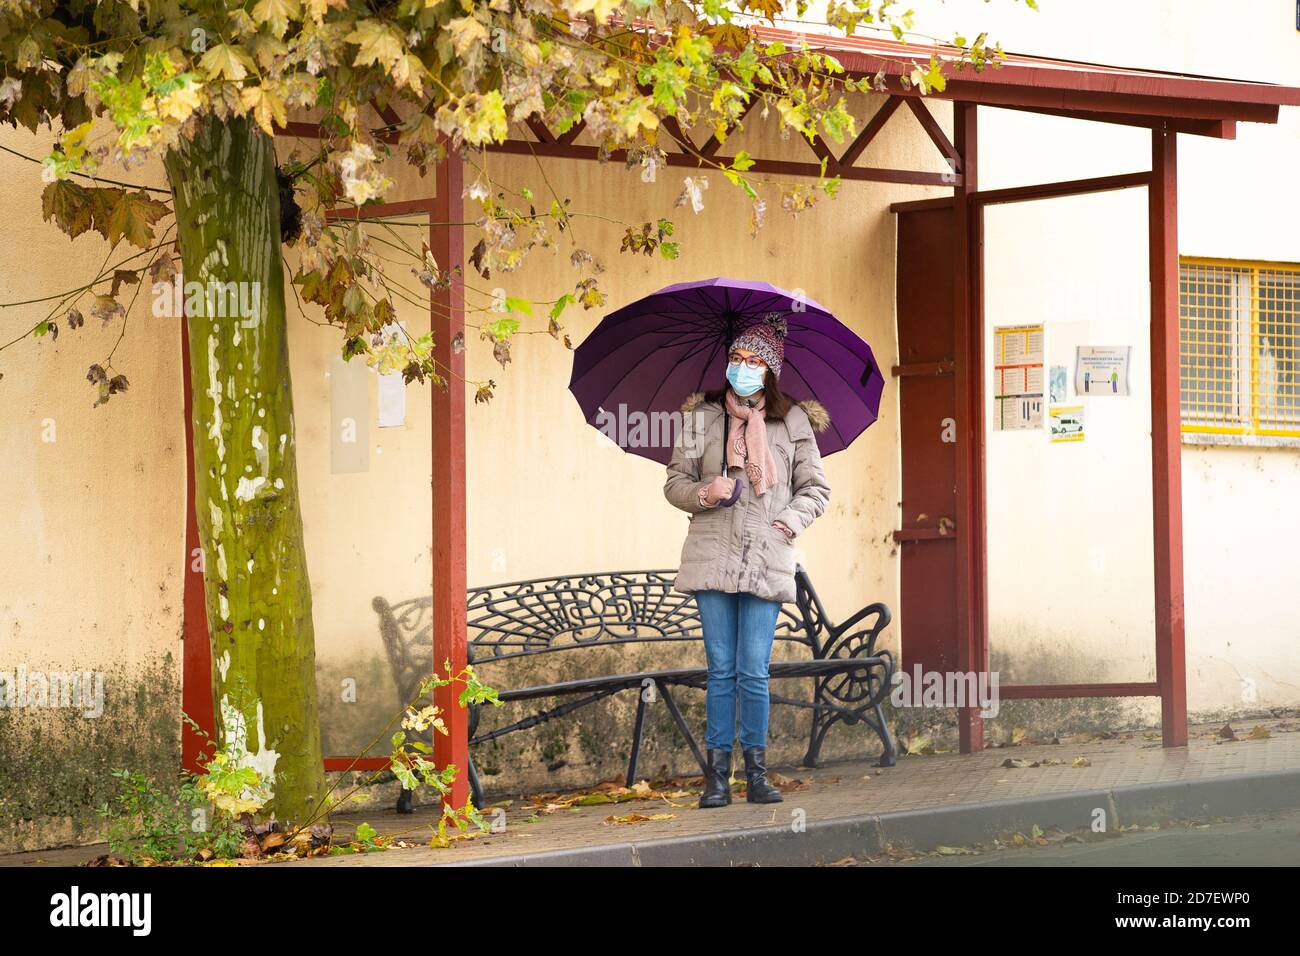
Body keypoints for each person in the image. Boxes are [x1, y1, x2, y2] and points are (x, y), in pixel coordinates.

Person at [663, 314, 831, 808]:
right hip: (713, 554)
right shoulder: (701, 418)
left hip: (766, 556)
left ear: (770, 369)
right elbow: (674, 483)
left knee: (754, 670)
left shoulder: (792, 421)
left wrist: (786, 523)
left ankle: (756, 773)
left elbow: (815, 488)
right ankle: (717, 777)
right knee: (721, 669)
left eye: (755, 360)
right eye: (737, 358)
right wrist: (704, 492)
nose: (743, 368)